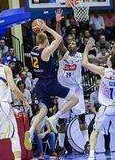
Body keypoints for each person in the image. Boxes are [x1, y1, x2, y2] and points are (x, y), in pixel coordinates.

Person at [24, 18, 79, 151]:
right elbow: (59, 38)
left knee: (43, 110)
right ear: (45, 41)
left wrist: (40, 30)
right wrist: (47, 28)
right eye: (47, 40)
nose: (50, 41)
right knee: (74, 99)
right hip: (50, 83)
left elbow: (47, 40)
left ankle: (31, 131)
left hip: (40, 84)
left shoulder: (33, 50)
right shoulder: (45, 51)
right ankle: (55, 117)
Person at [55, 9, 89, 154]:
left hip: (76, 89)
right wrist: (58, 22)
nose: (70, 44)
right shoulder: (64, 53)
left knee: (81, 118)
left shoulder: (81, 56)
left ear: (77, 45)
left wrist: (108, 56)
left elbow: (97, 60)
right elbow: (58, 39)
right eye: (68, 43)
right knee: (61, 121)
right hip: (63, 89)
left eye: (73, 43)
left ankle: (87, 143)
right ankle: (61, 147)